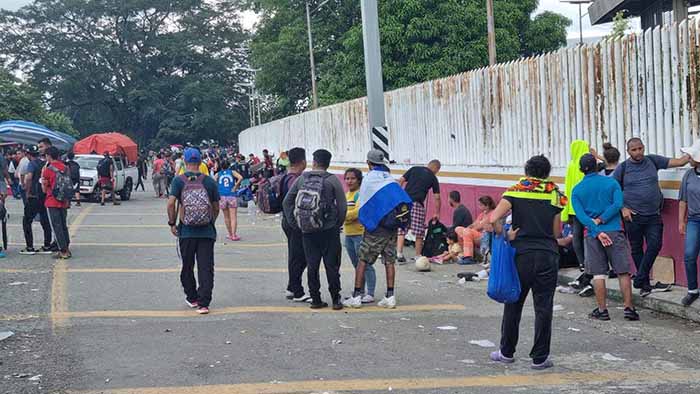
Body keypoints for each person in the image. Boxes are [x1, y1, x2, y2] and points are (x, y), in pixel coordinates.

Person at [488, 155, 565, 370]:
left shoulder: (515, 190)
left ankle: (506, 352)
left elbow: (493, 219)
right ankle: (540, 358)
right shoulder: (555, 194)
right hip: (548, 255)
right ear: (547, 172)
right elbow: (557, 232)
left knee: (514, 303)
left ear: (526, 170)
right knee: (544, 307)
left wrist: (506, 235)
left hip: (521, 255)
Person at [614, 137, 690, 297]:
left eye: (640, 148)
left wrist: (692, 152)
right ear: (628, 152)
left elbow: (679, 162)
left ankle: (640, 277)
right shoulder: (623, 168)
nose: (638, 152)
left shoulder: (652, 161)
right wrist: (623, 208)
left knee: (655, 245)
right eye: (634, 150)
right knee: (636, 248)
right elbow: (612, 190)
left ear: (643, 148)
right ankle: (645, 284)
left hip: (653, 214)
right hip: (632, 216)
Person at [572, 154, 640, 321]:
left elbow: (581, 217)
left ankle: (602, 310)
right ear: (598, 167)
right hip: (614, 230)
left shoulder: (577, 190)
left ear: (581, 170)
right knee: (623, 271)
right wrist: (602, 220)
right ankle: (629, 308)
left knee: (598, 274)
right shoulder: (611, 183)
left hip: (593, 235)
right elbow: (617, 204)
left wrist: (597, 230)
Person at [344, 150, 412, 309]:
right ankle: (390, 296)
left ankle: (356, 296)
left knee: (363, 260)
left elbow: (365, 204)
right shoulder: (390, 179)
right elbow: (403, 200)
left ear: (368, 162)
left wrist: (369, 221)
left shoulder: (368, 179)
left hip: (377, 228)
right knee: (389, 261)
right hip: (392, 227)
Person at [283, 149, 347, 310]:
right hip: (329, 230)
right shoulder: (332, 180)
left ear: (314, 161)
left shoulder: (302, 179)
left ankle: (316, 299)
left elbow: (287, 202)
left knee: (312, 265)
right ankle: (336, 299)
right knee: (332, 265)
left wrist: (295, 223)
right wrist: (337, 223)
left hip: (307, 230)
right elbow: (343, 206)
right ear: (328, 163)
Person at [167, 148, 220, 315]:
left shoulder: (178, 181)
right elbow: (216, 207)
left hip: (186, 231)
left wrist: (172, 223)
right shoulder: (209, 181)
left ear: (185, 161)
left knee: (187, 266)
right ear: (200, 161)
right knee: (206, 267)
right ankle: (204, 303)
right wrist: (210, 221)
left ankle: (192, 297)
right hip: (206, 232)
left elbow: (170, 204)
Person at [396, 160, 441, 264]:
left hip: (404, 202)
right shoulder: (433, 178)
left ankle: (399, 253)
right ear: (436, 168)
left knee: (402, 228)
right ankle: (417, 255)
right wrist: (437, 212)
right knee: (419, 231)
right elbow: (437, 197)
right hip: (417, 204)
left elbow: (400, 181)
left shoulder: (414, 169)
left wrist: (398, 196)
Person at [281, 148, 310, 303]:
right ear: (303, 162)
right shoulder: (296, 180)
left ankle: (292, 287)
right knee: (299, 257)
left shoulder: (286, 177)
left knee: (296, 255)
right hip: (294, 222)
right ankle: (297, 291)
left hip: (287, 221)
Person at [343, 168, 376, 303]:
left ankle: (370, 293)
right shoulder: (346, 195)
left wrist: (343, 217)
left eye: (352, 178)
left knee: (365, 263)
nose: (349, 181)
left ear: (359, 180)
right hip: (348, 235)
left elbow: (358, 212)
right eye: (347, 178)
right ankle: (360, 291)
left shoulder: (360, 194)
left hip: (360, 234)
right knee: (356, 264)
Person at [20, 147, 54, 255]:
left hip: (34, 196)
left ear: (28, 154)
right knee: (45, 221)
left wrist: (27, 191)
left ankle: (29, 247)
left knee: (27, 221)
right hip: (44, 195)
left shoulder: (32, 164)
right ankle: (47, 245)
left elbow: (28, 178)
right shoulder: (44, 164)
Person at [678, 140, 700, 307]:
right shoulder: (688, 175)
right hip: (693, 220)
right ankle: (692, 289)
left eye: (691, 155)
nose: (688, 158)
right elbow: (683, 200)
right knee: (689, 254)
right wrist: (681, 221)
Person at [42, 147, 72, 260]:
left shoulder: (48, 169)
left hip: (52, 200)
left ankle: (63, 251)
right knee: (63, 225)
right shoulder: (65, 167)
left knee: (56, 226)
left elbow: (44, 189)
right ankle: (67, 248)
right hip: (63, 200)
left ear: (49, 156)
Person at [215, 160, 243, 241]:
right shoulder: (232, 172)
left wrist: (218, 188)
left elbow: (213, 181)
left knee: (226, 217)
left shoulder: (218, 174)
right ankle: (234, 235)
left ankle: (230, 234)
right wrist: (235, 187)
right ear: (229, 165)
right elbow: (240, 177)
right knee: (233, 217)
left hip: (222, 196)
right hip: (231, 195)